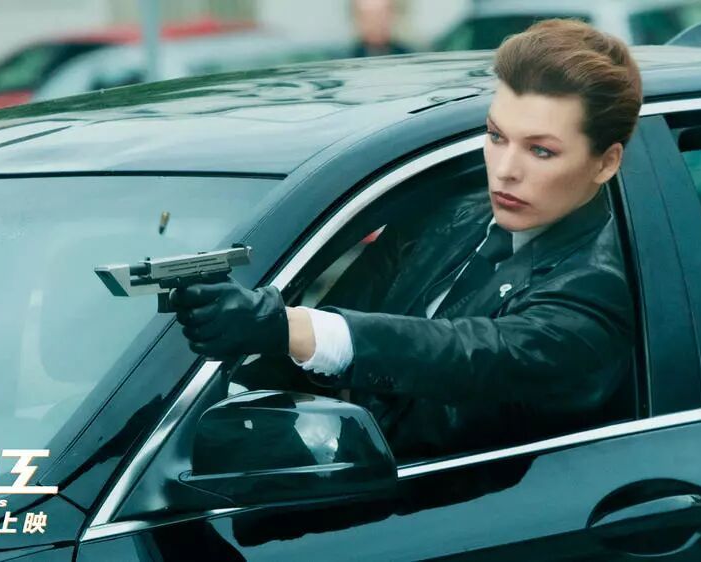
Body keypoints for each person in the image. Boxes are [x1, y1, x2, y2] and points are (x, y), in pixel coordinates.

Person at [171, 19, 641, 460]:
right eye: (496, 136)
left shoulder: (601, 285)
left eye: (540, 150)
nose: (504, 170)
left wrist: (285, 327)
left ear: (606, 162)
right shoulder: (451, 216)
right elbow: (323, 343)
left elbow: (471, 353)